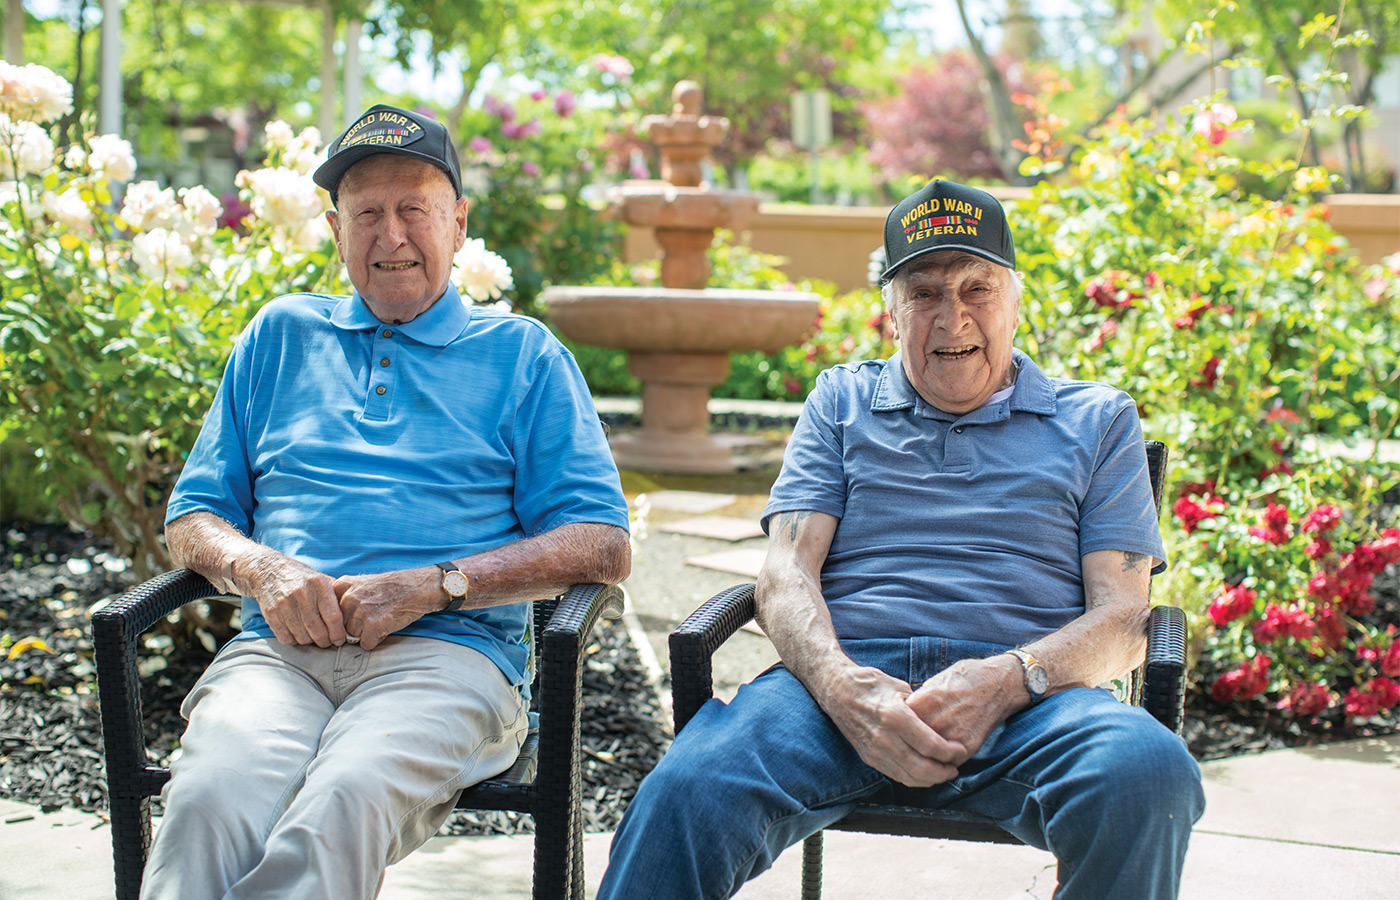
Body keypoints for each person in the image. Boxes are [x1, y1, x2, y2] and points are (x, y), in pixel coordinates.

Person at [597, 179, 1204, 900]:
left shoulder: (1098, 421)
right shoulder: (841, 402)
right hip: (838, 692)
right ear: (892, 314)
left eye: (977, 287)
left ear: (1016, 302)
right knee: (687, 790)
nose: (954, 317)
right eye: (924, 293)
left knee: (1148, 774)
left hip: (1033, 702)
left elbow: (1124, 618)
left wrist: (1010, 679)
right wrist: (839, 686)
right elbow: (786, 573)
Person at [141, 104, 631, 900]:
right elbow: (193, 516)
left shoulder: (523, 355)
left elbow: (603, 544)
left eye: (415, 210)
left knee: (339, 805)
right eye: (367, 212)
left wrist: (437, 584)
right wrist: (262, 570)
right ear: (337, 229)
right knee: (205, 803)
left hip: (449, 659)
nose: (391, 235)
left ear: (459, 223)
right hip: (279, 657)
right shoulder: (279, 336)